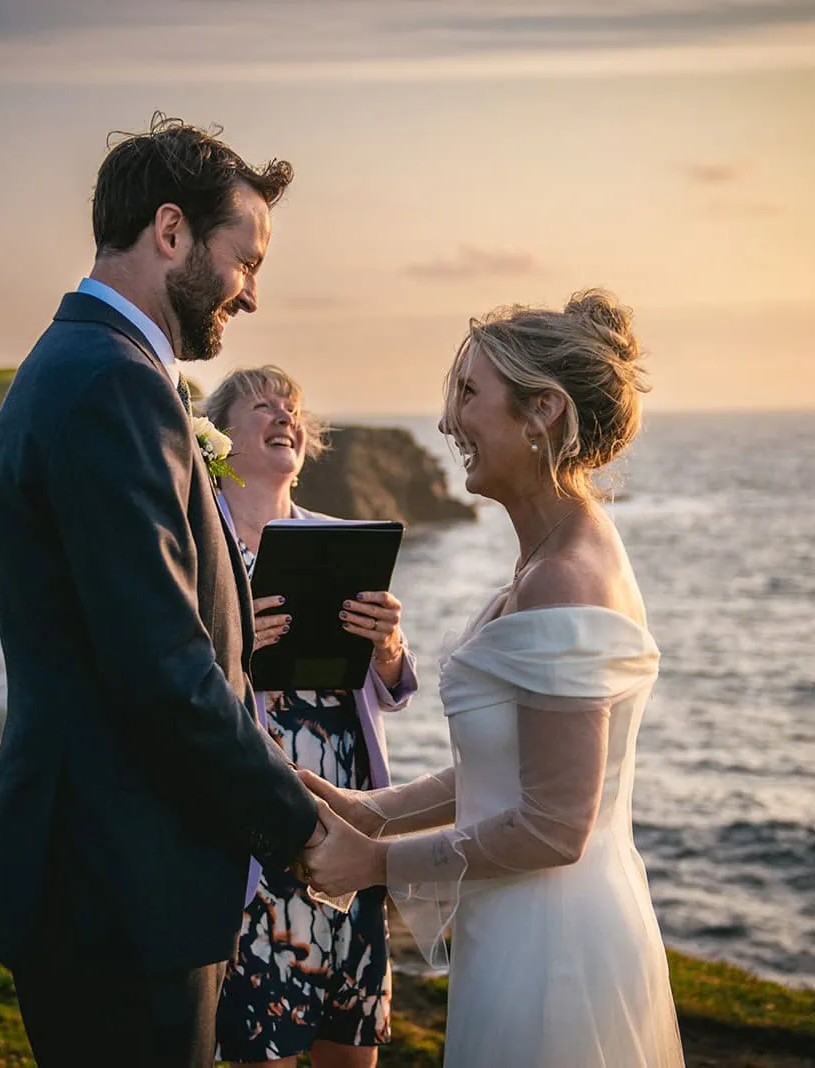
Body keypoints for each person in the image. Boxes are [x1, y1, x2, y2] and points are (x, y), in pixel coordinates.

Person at [0, 117, 340, 1068]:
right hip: (115, 883)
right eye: (243, 259)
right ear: (170, 232)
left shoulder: (93, 365)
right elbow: (162, 664)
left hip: (101, 869)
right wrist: (298, 825)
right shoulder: (112, 384)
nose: (251, 293)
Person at [297, 290, 686, 1067]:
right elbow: (505, 765)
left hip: (555, 954)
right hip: (518, 925)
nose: (447, 422)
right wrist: (373, 812)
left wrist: (376, 864)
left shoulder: (566, 579)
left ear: (542, 411)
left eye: (469, 395)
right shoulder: (544, 561)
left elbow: (552, 827)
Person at [201, 366, 418, 1067]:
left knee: (350, 1051)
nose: (285, 415)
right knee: (263, 1051)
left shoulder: (340, 541)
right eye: (263, 405)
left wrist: (387, 646)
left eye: (292, 408)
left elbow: (388, 688)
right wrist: (235, 649)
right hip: (258, 843)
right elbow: (172, 685)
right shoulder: (199, 552)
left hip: (346, 833)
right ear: (218, 436)